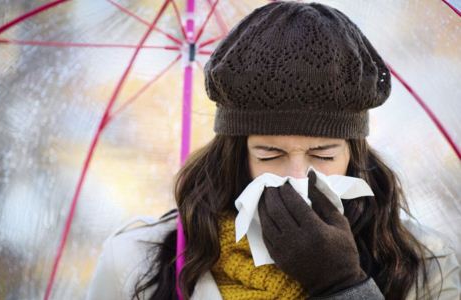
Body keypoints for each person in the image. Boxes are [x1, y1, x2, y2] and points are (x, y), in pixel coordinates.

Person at [86, 1, 460, 299]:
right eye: (270, 155)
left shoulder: (424, 265)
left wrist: (344, 286)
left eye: (324, 155)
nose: (297, 178)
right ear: (235, 157)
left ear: (354, 156)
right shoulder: (137, 262)